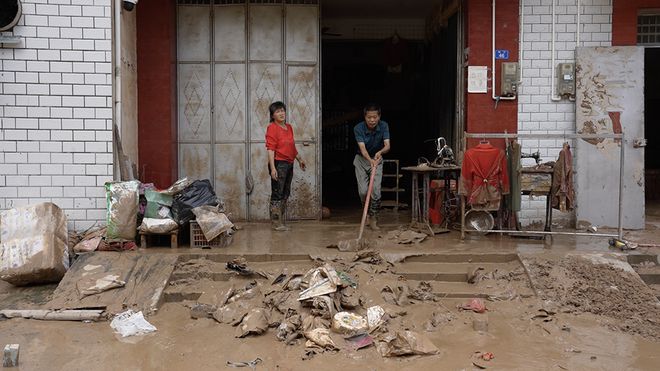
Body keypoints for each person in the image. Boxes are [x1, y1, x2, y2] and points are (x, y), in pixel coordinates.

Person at [265, 101, 306, 231]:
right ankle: (276, 222)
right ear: (273, 116)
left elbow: (291, 146)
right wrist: (273, 168)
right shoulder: (272, 127)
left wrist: (299, 159)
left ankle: (280, 220)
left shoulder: (289, 127)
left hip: (289, 163)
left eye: (282, 110)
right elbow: (270, 149)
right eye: (277, 111)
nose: (281, 113)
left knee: (285, 193)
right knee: (277, 193)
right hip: (279, 163)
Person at [353, 103, 390, 231]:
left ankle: (374, 218)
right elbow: (362, 149)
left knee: (375, 191)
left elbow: (387, 145)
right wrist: (370, 160)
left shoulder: (384, 126)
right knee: (363, 191)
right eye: (369, 117)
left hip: (377, 159)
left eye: (375, 117)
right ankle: (366, 214)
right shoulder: (358, 128)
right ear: (365, 117)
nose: (372, 120)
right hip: (362, 160)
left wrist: (380, 153)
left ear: (379, 116)